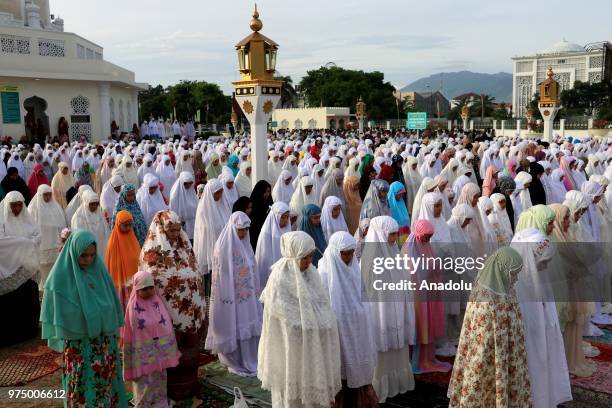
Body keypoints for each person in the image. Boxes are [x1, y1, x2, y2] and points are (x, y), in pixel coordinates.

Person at [40, 229, 127, 407]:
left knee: (105, 385)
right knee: (82, 386)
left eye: (92, 255)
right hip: (79, 347)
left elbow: (111, 305)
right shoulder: (58, 280)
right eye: (83, 256)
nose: (88, 260)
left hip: (103, 345)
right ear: (73, 252)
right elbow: (60, 316)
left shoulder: (100, 273)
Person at [257, 231, 342, 408]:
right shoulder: (279, 279)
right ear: (293, 255)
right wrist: (309, 326)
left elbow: (322, 304)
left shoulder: (312, 273)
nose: (309, 262)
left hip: (311, 341)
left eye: (311, 257)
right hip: (291, 346)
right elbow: (284, 318)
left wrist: (324, 323)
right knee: (293, 392)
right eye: (304, 258)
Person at [447, 247, 532, 407]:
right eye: (513, 273)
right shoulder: (484, 298)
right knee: (483, 390)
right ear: (502, 269)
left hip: (507, 352)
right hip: (488, 357)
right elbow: (481, 345)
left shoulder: (507, 287)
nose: (515, 279)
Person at [139, 210, 205, 401]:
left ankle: (189, 384)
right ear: (162, 229)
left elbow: (194, 267)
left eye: (178, 230)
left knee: (188, 351)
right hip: (165, 312)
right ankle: (167, 388)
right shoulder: (151, 249)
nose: (176, 234)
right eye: (172, 231)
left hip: (189, 312)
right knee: (168, 350)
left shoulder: (184, 244)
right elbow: (151, 276)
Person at [512, 227, 572, 408]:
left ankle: (545, 399)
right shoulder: (515, 284)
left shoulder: (539, 275)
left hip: (541, 332)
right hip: (527, 340)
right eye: (542, 261)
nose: (545, 265)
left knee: (544, 363)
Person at [317, 231, 378, 407]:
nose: (348, 257)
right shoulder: (324, 272)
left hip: (357, 326)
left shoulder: (353, 268)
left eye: (351, 253)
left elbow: (362, 298)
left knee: (356, 367)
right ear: (336, 252)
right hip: (338, 328)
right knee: (340, 372)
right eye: (344, 253)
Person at [361, 216, 415, 402]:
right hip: (380, 314)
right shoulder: (369, 260)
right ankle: (379, 385)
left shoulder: (394, 253)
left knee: (398, 352)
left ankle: (398, 382)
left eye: (395, 234)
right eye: (390, 235)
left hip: (396, 309)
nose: (394, 238)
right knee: (382, 354)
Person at [206, 211, 262, 376]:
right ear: (232, 228)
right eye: (240, 229)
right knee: (234, 323)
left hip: (247, 297)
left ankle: (249, 357)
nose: (243, 233)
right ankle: (234, 359)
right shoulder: (223, 247)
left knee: (248, 322)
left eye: (246, 229)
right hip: (230, 296)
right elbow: (221, 277)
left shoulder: (246, 245)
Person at [548, 203, 597, 378]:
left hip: (574, 291)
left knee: (574, 326)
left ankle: (572, 358)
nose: (569, 221)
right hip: (564, 295)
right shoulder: (552, 241)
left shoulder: (566, 236)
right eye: (565, 218)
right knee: (566, 326)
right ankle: (564, 362)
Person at [122, 270, 180, 407]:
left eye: (150, 288)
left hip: (159, 350)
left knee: (160, 377)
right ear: (136, 289)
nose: (148, 292)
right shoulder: (133, 307)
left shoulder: (158, 302)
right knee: (145, 379)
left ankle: (159, 400)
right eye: (144, 289)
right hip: (143, 352)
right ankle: (143, 403)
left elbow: (164, 322)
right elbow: (135, 330)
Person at [402, 219, 452, 374]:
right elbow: (410, 274)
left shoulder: (426, 246)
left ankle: (425, 358)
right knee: (418, 326)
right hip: (415, 298)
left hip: (427, 295)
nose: (427, 240)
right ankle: (414, 360)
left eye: (429, 237)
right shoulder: (409, 249)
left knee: (425, 326)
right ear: (418, 234)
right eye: (425, 236)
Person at [0, 191, 42, 346]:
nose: (17, 208)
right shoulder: (2, 221)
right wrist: (23, 243)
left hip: (26, 268)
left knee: (27, 299)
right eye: (13, 205)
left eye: (19, 205)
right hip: (10, 270)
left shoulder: (28, 219)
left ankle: (29, 330)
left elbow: (38, 235)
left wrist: (27, 243)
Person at [28, 184, 67, 288]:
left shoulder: (56, 207)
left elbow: (62, 224)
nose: (48, 197)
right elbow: (30, 228)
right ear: (40, 195)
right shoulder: (33, 208)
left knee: (55, 266)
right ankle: (43, 287)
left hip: (55, 244)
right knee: (43, 268)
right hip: (42, 245)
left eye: (49, 195)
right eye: (45, 195)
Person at [106, 210, 141, 312]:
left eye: (130, 225)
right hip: (120, 281)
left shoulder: (133, 238)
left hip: (133, 279)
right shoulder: (113, 243)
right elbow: (112, 266)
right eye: (125, 225)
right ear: (118, 224)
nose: (128, 228)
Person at [194, 179, 230, 276]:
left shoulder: (223, 206)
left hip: (224, 248)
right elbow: (203, 232)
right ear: (210, 193)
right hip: (210, 248)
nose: (219, 195)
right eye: (217, 193)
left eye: (220, 192)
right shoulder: (203, 209)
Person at [254, 202, 291, 290]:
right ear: (276, 217)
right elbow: (264, 257)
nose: (286, 220)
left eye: (287, 217)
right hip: (270, 268)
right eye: (283, 217)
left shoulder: (287, 230)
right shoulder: (266, 233)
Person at [71, 190, 110, 261]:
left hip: (101, 250)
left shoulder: (100, 214)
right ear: (86, 203)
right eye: (92, 204)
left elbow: (106, 232)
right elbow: (78, 238)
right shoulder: (78, 217)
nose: (94, 206)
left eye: (96, 204)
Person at [169, 171, 198, 240]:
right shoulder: (175, 194)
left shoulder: (192, 191)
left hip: (193, 223)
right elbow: (173, 210)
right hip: (181, 224)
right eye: (186, 184)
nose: (188, 186)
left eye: (190, 183)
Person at [249, 180, 273, 249]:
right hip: (255, 236)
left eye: (268, 191)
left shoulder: (269, 202)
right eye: (264, 192)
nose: (267, 194)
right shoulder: (253, 204)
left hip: (268, 235)